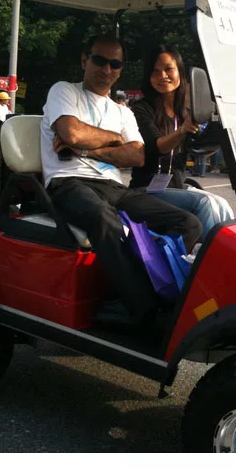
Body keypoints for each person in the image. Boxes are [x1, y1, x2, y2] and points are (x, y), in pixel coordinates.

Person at [44, 33, 202, 332]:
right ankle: (146, 312)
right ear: (84, 60)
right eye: (100, 60)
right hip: (68, 181)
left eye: (115, 64)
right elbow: (71, 132)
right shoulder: (64, 91)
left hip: (113, 186)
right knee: (105, 218)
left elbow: (137, 155)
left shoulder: (122, 111)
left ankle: (157, 290)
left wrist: (88, 148)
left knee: (189, 223)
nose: (107, 69)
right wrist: (116, 139)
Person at [129, 44, 234, 239]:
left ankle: (225, 252)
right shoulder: (141, 109)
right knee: (205, 203)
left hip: (176, 186)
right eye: (155, 71)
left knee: (221, 203)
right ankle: (201, 255)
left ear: (180, 72)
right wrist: (182, 131)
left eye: (168, 69)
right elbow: (157, 147)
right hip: (147, 188)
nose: (163, 76)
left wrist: (221, 132)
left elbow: (197, 148)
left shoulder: (184, 111)